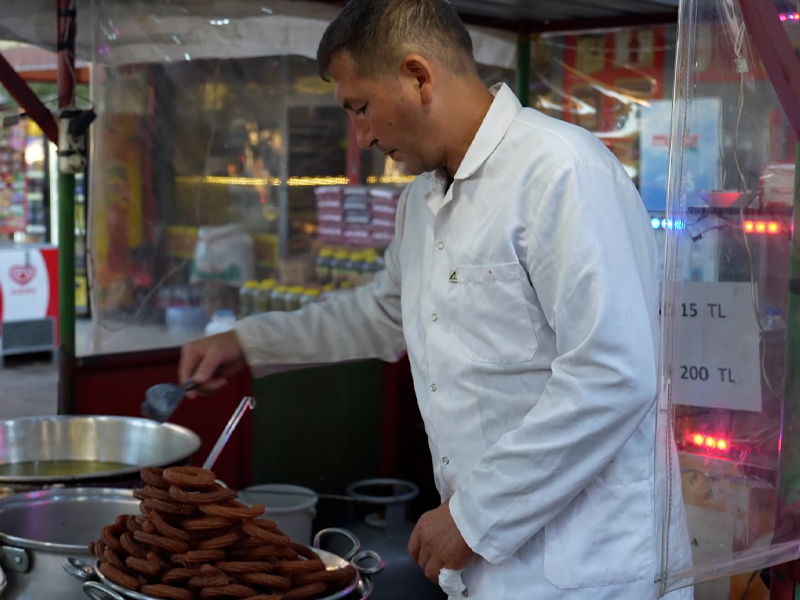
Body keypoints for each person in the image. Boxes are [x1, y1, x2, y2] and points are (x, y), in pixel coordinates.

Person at [179, 1, 693, 598]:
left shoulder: (559, 171)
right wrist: (247, 341)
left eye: (361, 108)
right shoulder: (421, 204)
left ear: (418, 76)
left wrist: (476, 516)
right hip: (489, 569)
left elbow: (613, 373)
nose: (362, 136)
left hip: (592, 570)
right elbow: (381, 314)